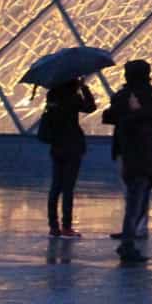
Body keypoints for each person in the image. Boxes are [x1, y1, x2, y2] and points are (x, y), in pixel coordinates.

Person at [101, 60, 152, 265]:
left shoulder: (122, 96)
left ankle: (129, 239)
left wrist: (133, 112)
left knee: (133, 198)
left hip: (128, 151)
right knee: (136, 198)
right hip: (145, 153)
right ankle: (129, 240)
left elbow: (109, 116)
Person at [38, 78, 95, 238]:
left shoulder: (52, 96)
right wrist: (84, 88)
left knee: (55, 186)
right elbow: (90, 107)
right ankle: (66, 226)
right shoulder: (72, 97)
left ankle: (53, 226)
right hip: (72, 145)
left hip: (56, 146)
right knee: (68, 187)